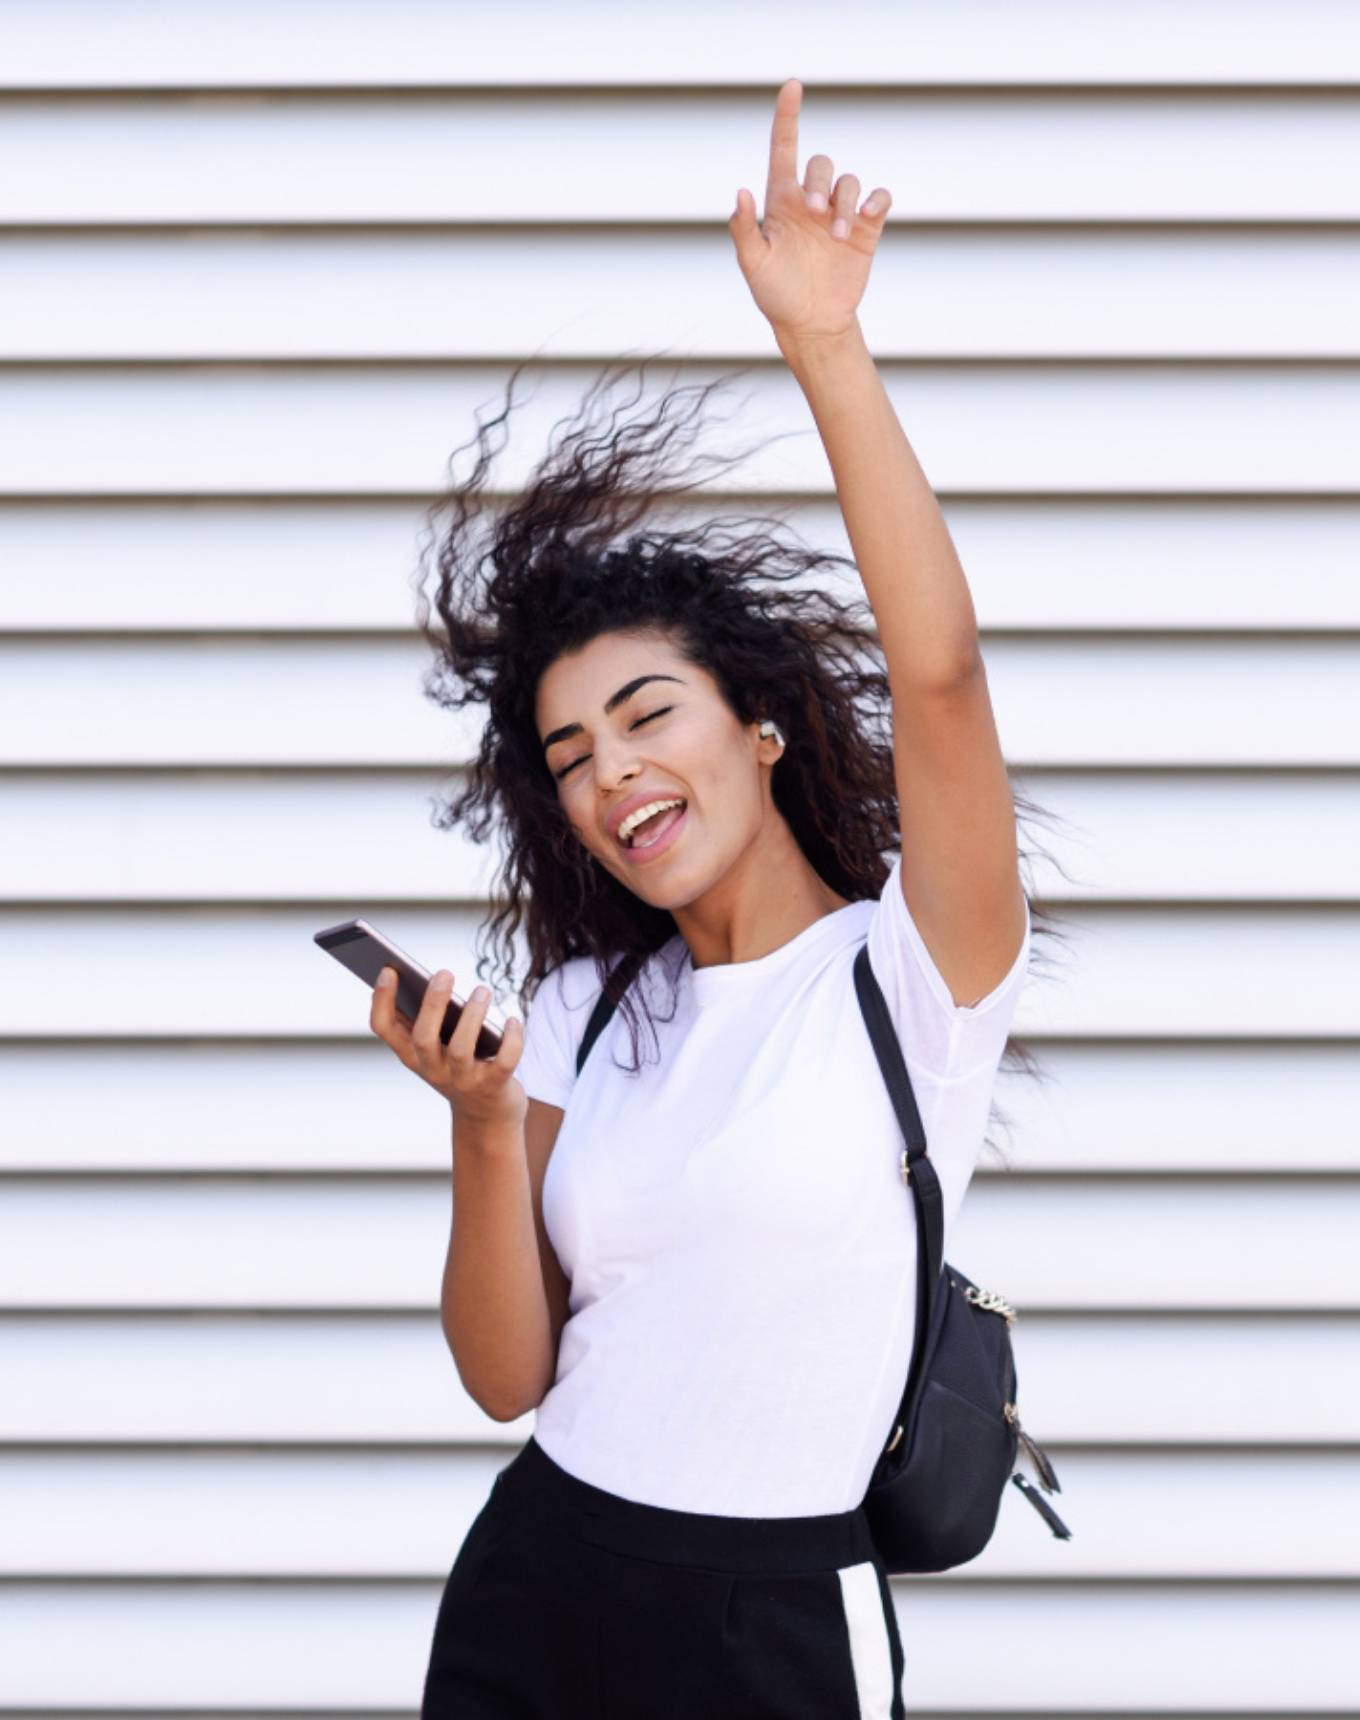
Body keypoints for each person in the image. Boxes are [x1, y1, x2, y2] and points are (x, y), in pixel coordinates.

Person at [369, 79, 1031, 1720]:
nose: (612, 775)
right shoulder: (589, 1011)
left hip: (776, 1621)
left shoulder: (913, 975)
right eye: (571, 752)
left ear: (759, 724)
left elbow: (941, 680)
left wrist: (828, 348)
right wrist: (472, 1120)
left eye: (649, 717)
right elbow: (508, 1379)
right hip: (541, 1579)